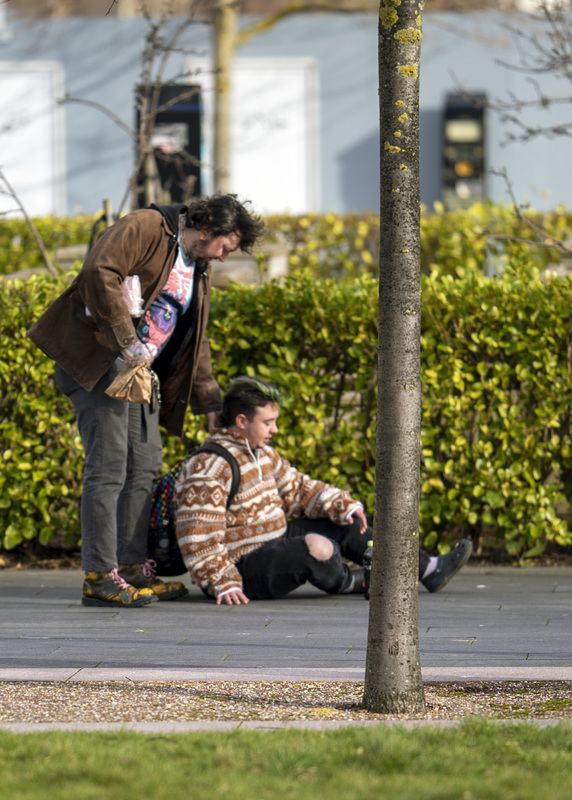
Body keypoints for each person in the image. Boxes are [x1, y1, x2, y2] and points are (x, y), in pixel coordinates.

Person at [27, 195, 265, 608]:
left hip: (138, 375)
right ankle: (99, 577)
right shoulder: (147, 227)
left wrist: (209, 403)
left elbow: (196, 338)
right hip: (100, 363)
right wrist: (126, 339)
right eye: (226, 246)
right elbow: (97, 272)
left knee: (144, 464)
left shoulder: (198, 266)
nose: (225, 257)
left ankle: (130, 568)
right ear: (206, 230)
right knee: (109, 466)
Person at [174, 376, 472, 605]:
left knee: (350, 523)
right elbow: (197, 535)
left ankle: (428, 568)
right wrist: (222, 581)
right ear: (242, 421)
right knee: (319, 548)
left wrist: (343, 504)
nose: (275, 430)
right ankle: (352, 582)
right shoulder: (209, 467)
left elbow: (300, 490)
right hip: (243, 565)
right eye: (268, 422)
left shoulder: (263, 454)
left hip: (274, 536)